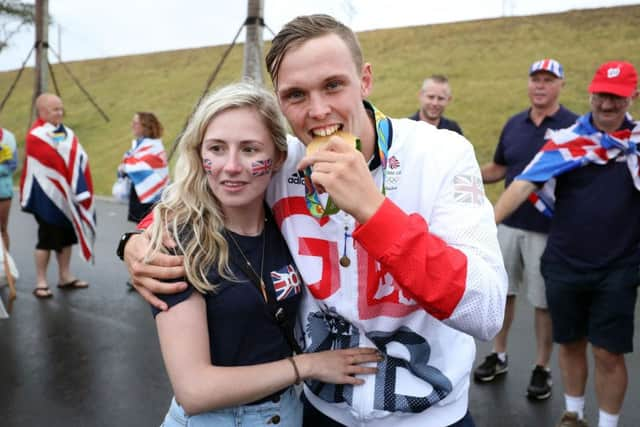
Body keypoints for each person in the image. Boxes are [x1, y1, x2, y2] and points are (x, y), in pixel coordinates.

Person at [122, 14, 507, 427]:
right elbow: (202, 192)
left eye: (333, 85)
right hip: (321, 412)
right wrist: (137, 241)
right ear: (279, 100)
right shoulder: (281, 160)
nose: (318, 111)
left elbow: (485, 313)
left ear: (365, 80)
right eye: (296, 95)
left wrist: (373, 212)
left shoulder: (441, 155)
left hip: (430, 417)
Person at [145, 81, 381, 426]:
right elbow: (194, 390)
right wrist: (309, 366)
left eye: (250, 149)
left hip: (286, 413)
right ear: (200, 155)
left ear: (278, 158)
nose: (231, 166)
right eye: (216, 148)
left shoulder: (286, 223)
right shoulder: (177, 243)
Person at [492, 61, 639, 427]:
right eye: (602, 95)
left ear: (632, 98)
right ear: (590, 92)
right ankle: (573, 413)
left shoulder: (637, 145)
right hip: (565, 263)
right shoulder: (566, 142)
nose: (607, 105)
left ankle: (608, 423)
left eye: (617, 98)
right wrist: (483, 227)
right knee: (570, 343)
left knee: (608, 352)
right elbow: (523, 185)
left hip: (618, 268)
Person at [474, 59, 578, 400]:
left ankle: (541, 367)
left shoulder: (573, 126)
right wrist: (466, 174)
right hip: (508, 224)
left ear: (560, 84)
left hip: (549, 230)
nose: (540, 85)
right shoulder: (515, 124)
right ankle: (499, 354)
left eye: (548, 79)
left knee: (543, 302)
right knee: (502, 292)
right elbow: (500, 167)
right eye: (535, 79)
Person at [20, 93, 95, 299]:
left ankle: (65, 276)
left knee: (66, 236)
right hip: (45, 196)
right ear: (42, 112)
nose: (60, 112)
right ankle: (41, 281)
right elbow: (52, 159)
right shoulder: (35, 135)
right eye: (55, 109)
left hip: (66, 197)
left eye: (61, 108)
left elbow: (76, 156)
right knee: (47, 238)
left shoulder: (66, 132)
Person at [117, 112, 168, 223]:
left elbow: (140, 167)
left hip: (151, 196)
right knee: (140, 228)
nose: (132, 125)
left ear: (146, 126)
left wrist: (126, 166)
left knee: (148, 230)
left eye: (136, 123)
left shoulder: (155, 147)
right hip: (138, 193)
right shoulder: (139, 145)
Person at [0, 125, 18, 250]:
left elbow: (12, 165)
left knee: (2, 228)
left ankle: (5, 266)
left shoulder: (8, 137)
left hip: (3, 191)